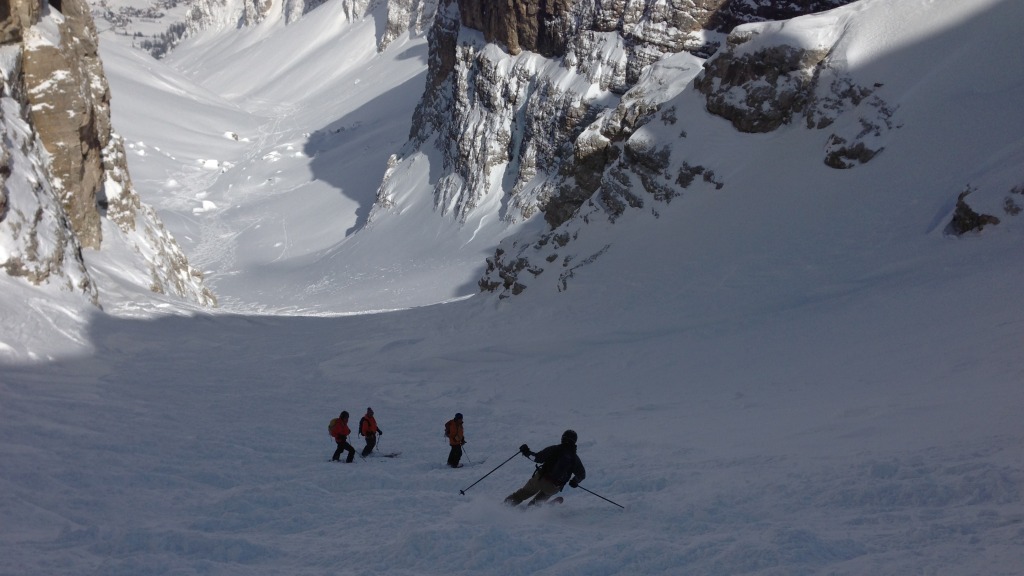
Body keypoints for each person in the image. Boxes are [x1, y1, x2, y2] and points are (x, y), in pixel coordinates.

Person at [504, 429, 585, 506]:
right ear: (574, 441)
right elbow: (582, 474)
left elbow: (537, 458)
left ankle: (506, 505)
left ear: (562, 438)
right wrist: (575, 481)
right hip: (554, 487)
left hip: (540, 479)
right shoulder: (575, 458)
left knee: (523, 493)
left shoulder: (555, 449)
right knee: (542, 498)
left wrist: (526, 452)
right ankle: (534, 508)